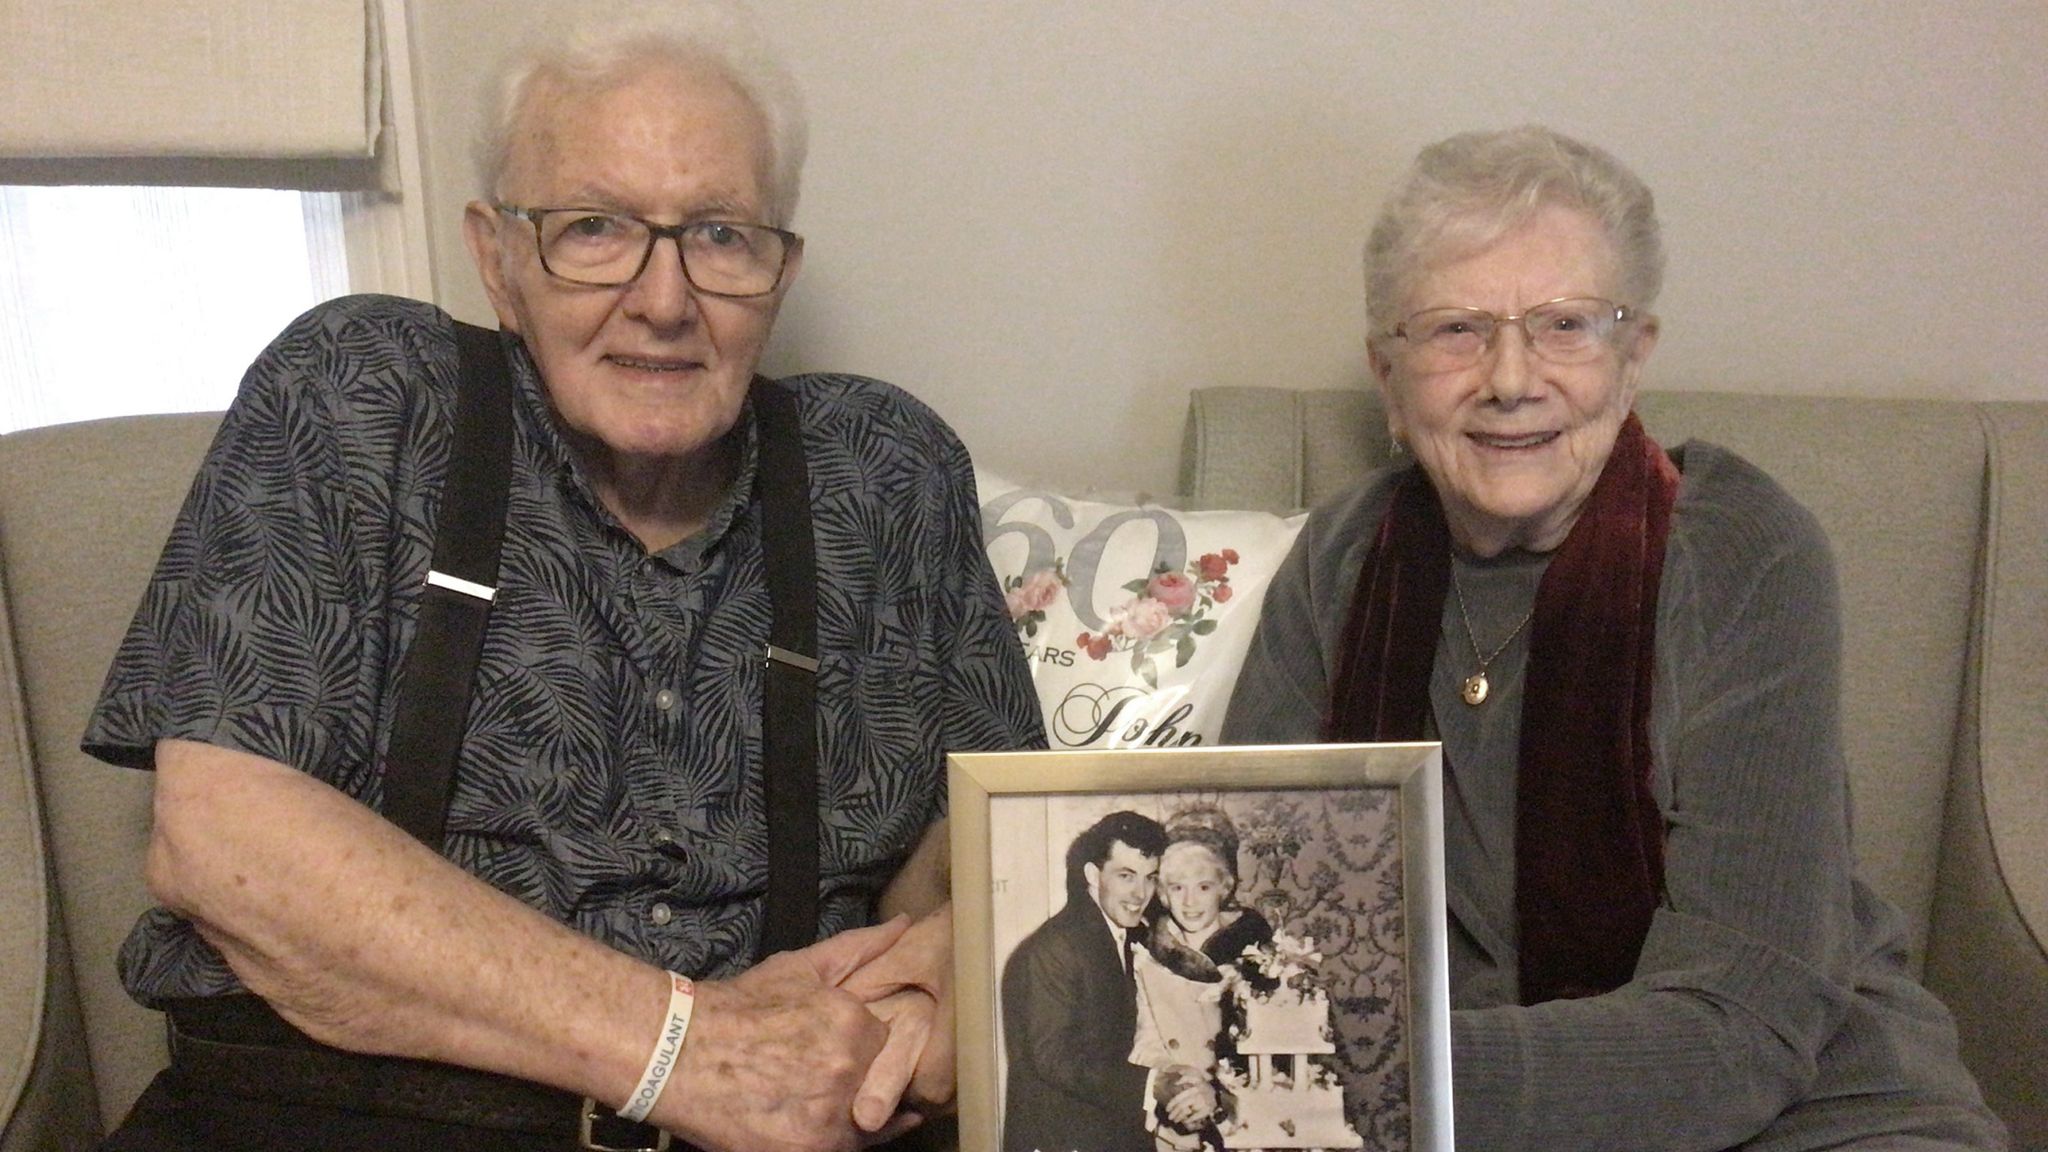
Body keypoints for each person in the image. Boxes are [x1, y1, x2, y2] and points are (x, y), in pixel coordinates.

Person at [79, 3, 1044, 1150]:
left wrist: (954, 956)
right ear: (497, 260)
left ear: (778, 274)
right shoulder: (363, 394)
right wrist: (687, 1050)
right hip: (341, 1115)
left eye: (721, 236)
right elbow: (226, 842)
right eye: (594, 228)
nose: (664, 298)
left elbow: (988, 846)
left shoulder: (884, 469)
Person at [1222, 123, 2010, 1151]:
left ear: (1632, 358)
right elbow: (1257, 923)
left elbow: (1745, 1022)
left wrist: (1367, 1077)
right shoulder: (1338, 562)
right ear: (1387, 374)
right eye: (1455, 330)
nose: (1510, 377)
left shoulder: (1738, 551)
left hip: (1809, 1107)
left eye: (1563, 326)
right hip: (1417, 1116)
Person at [1000, 810, 1204, 1152]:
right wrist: (1153, 1084)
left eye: (1150, 878)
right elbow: (1055, 1058)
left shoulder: (1119, 934)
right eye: (1126, 876)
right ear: (1094, 876)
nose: (1141, 893)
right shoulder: (1057, 947)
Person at [1127, 808, 1274, 1150]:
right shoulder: (1146, 956)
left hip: (1244, 1120)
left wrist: (1218, 1094)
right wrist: (1178, 1086)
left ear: (1225, 887)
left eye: (1203, 886)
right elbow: (1144, 1039)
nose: (1190, 902)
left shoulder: (1259, 956)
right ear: (1162, 893)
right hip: (1173, 1121)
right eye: (1177, 887)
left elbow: (1272, 1047)